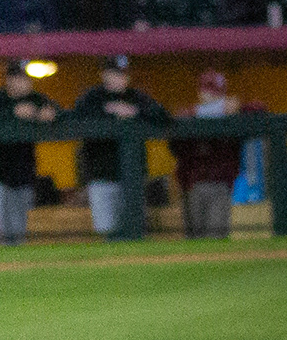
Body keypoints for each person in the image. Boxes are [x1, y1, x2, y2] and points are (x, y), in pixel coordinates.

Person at [69, 56, 169, 237]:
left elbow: (163, 116)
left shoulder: (136, 97)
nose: (120, 78)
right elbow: (75, 119)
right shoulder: (92, 98)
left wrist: (135, 111)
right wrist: (109, 112)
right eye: (115, 73)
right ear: (105, 75)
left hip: (132, 179)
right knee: (106, 231)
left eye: (123, 74)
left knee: (133, 231)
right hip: (100, 175)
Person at [0, 60, 57, 244]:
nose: (23, 82)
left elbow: (57, 111)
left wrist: (44, 113)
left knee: (19, 230)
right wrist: (13, 112)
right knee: (1, 229)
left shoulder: (36, 99)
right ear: (9, 79)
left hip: (24, 172)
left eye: (25, 78)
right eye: (18, 78)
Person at [170, 70, 248, 239]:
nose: (211, 96)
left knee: (216, 237)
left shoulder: (231, 114)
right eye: (208, 90)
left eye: (216, 92)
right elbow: (175, 146)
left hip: (220, 183)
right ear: (200, 92)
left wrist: (237, 109)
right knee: (194, 238)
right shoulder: (188, 115)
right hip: (192, 185)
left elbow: (258, 111)